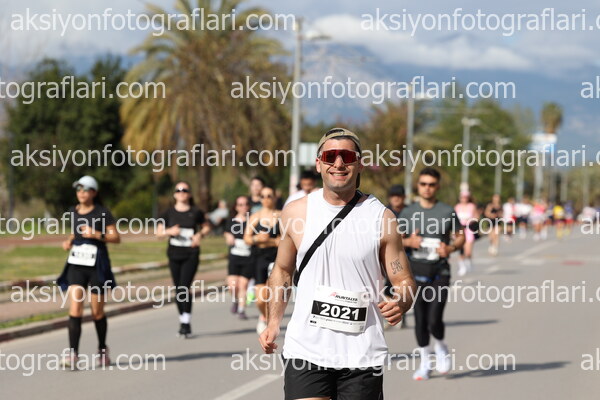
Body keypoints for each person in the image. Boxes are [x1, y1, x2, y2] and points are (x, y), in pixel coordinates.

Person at [260, 127, 416, 399]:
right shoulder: (296, 212)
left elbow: (403, 280)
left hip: (362, 353)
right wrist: (273, 322)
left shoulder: (381, 218)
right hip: (306, 349)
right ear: (319, 163)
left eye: (348, 156)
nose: (339, 163)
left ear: (360, 164)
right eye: (330, 156)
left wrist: (401, 301)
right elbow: (282, 270)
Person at [399, 167, 465, 380]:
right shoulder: (408, 212)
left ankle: (441, 347)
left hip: (439, 272)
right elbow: (394, 239)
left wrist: (450, 248)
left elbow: (460, 236)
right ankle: (426, 362)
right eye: (423, 184)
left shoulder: (447, 211)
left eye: (431, 184)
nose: (427, 188)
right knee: (420, 320)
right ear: (418, 186)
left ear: (437, 187)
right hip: (415, 273)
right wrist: (409, 242)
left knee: (434, 318)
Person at [57, 176, 120, 368]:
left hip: (97, 266)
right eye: (79, 190)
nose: (81, 193)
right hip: (77, 264)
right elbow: (74, 232)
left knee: (96, 312)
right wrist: (69, 241)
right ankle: (73, 354)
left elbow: (116, 237)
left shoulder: (102, 213)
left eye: (85, 190)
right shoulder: (73, 211)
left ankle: (102, 349)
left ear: (94, 192)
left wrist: (96, 234)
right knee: (75, 308)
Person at [156, 181, 210, 338]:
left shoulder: (196, 212)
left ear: (189, 194)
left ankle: (186, 322)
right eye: (178, 190)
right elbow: (159, 234)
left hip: (191, 254)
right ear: (174, 194)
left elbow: (206, 227)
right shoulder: (167, 213)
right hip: (174, 253)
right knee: (178, 289)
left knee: (184, 287)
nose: (181, 193)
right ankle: (183, 320)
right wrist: (169, 231)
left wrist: (199, 235)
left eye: (185, 190)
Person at [244, 185, 281, 334]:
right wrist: (257, 239)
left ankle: (271, 322)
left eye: (269, 196)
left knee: (272, 294)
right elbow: (246, 238)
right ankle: (264, 317)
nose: (266, 199)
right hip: (259, 257)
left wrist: (270, 241)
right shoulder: (255, 217)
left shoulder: (281, 216)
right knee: (260, 298)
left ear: (274, 198)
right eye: (263, 196)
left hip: (276, 258)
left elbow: (284, 240)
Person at [224, 196, 253, 320]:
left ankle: (241, 310)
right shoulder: (231, 221)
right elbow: (226, 232)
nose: (243, 207)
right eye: (240, 204)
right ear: (236, 207)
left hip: (248, 257)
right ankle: (235, 301)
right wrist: (228, 236)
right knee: (232, 285)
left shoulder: (252, 221)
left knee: (243, 284)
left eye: (246, 204)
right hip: (235, 257)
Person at [455, 191, 476, 276]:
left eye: (466, 197)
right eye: (463, 197)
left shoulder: (471, 206)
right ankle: (462, 267)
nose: (464, 199)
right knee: (460, 249)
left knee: (468, 251)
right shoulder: (457, 207)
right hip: (460, 230)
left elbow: (476, 217)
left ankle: (468, 262)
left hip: (468, 229)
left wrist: (471, 221)